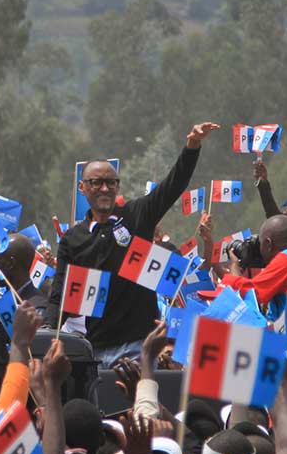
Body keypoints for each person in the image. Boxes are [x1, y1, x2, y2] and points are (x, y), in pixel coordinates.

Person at [50, 121, 218, 366]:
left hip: (138, 347)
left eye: (111, 182)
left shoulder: (136, 215)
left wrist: (192, 146)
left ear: (118, 186)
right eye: (96, 182)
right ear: (82, 187)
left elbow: (173, 185)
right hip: (94, 350)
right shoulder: (72, 240)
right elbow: (59, 295)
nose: (104, 188)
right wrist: (45, 332)